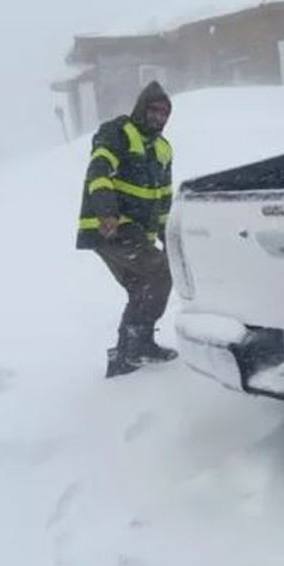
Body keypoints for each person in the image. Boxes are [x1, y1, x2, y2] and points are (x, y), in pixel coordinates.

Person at [76, 81, 178, 378]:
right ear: (141, 107)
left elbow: (163, 197)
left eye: (164, 113)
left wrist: (167, 235)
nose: (159, 117)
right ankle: (138, 345)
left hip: (136, 233)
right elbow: (98, 171)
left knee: (141, 286)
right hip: (111, 227)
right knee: (159, 272)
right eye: (154, 110)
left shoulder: (163, 148)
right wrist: (107, 212)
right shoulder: (118, 132)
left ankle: (123, 359)